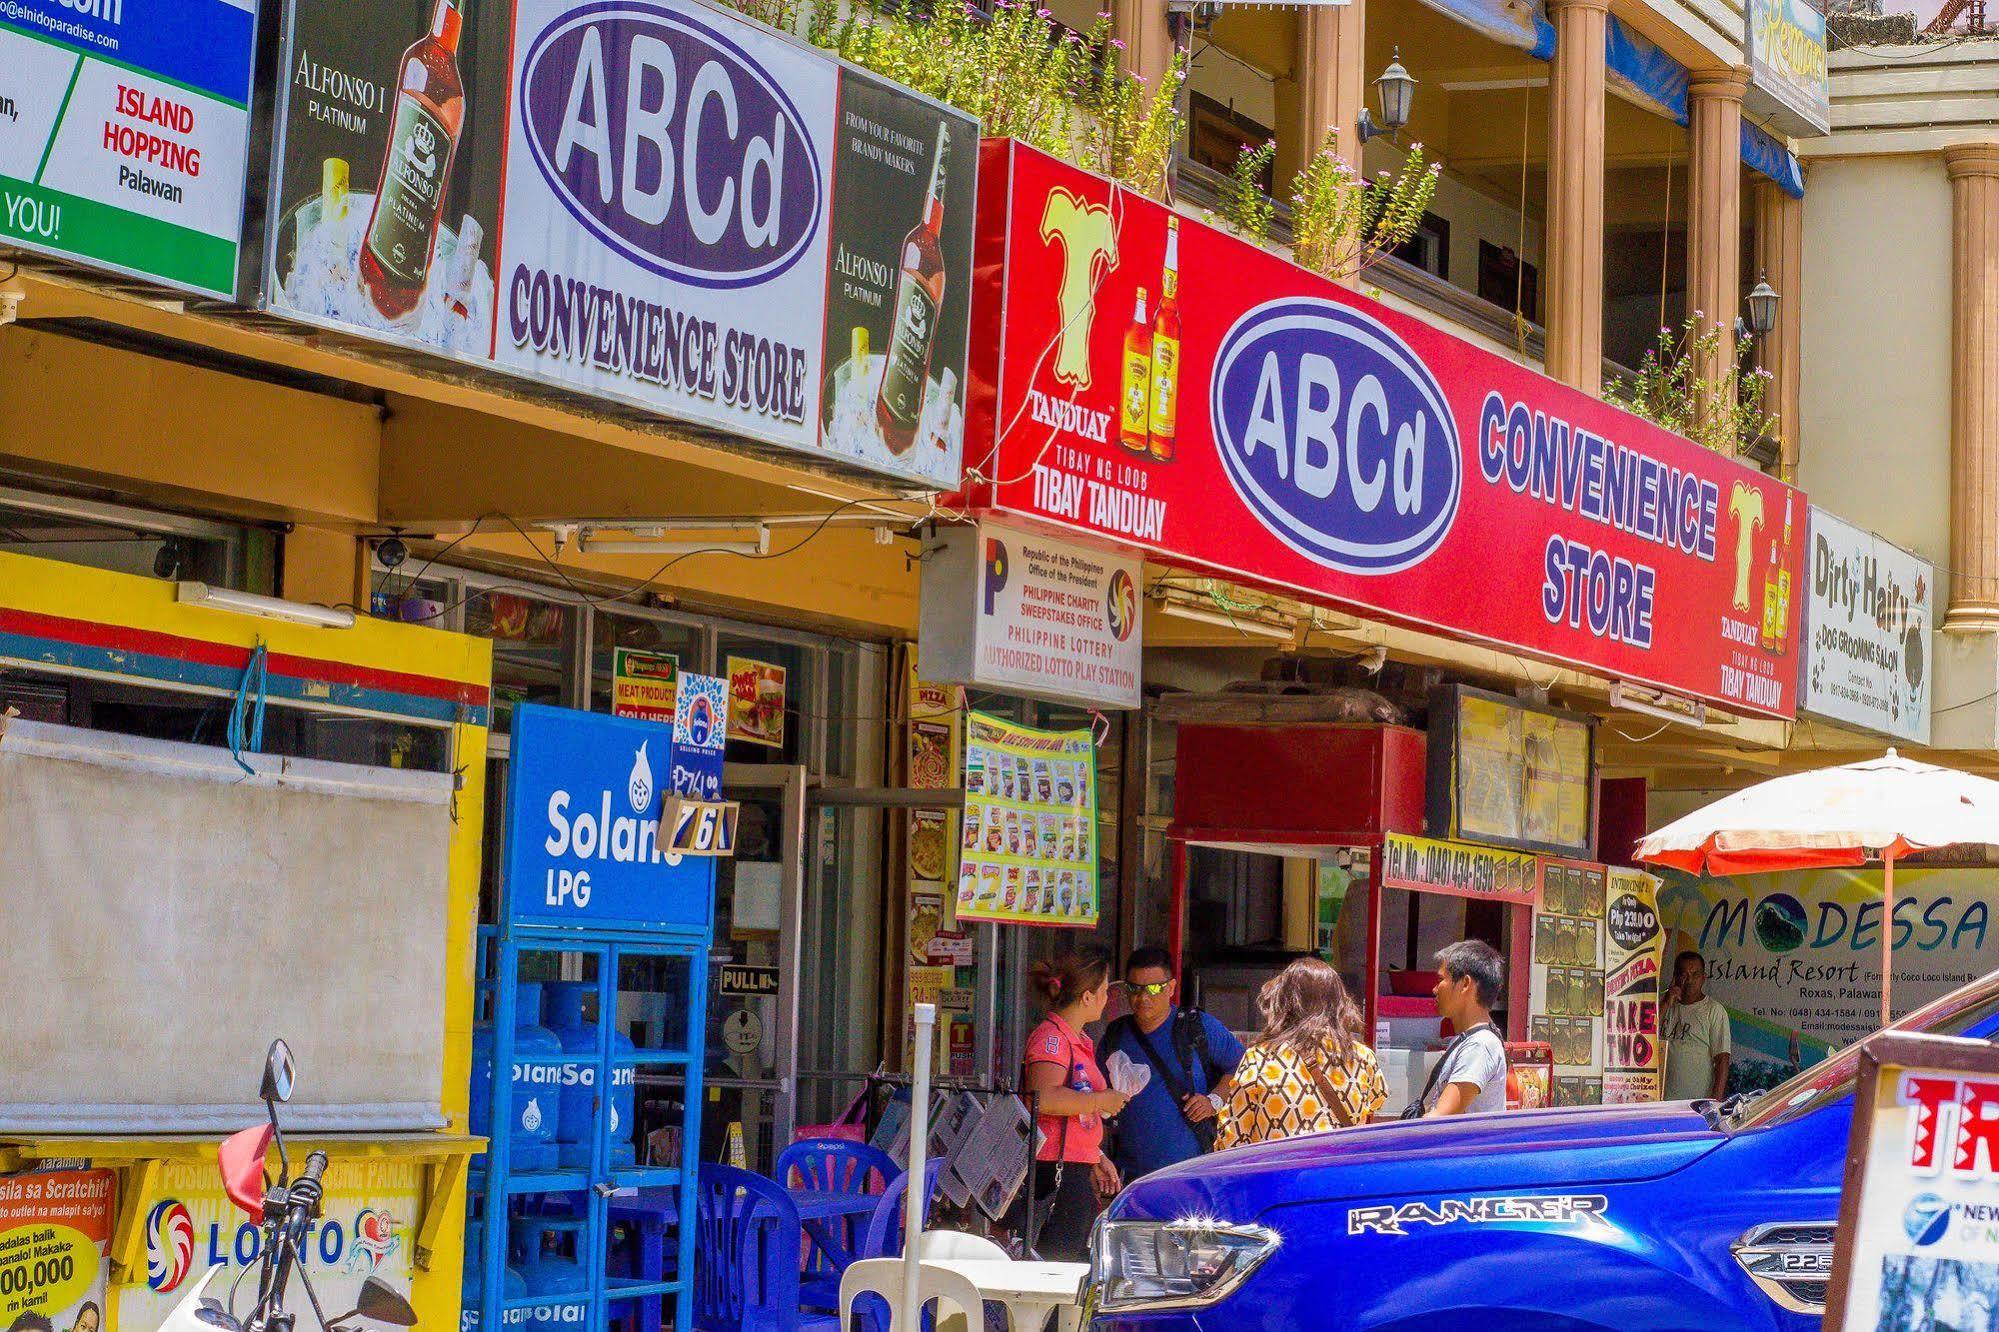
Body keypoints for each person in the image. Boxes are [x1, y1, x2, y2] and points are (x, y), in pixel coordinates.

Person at [1097, 947, 1245, 1180]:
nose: (1143, 997)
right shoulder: (1115, 1036)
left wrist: (1213, 1100)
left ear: (1171, 988)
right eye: (1134, 988)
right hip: (1131, 1179)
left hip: (1195, 1174)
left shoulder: (1197, 1028)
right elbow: (1094, 1103)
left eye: (1154, 988)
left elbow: (1243, 1067)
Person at [1021, 943, 1129, 1261]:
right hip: (1053, 1172)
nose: (1108, 998)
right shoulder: (1052, 1038)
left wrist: (1094, 1155)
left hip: (1074, 1167)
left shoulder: (1077, 1040)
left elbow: (1072, 1110)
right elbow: (1044, 1097)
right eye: (1105, 991)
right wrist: (1101, 1100)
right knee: (1056, 1266)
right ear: (1086, 997)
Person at [1215, 958, 1385, 1149]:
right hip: (1339, 1175)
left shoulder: (1259, 1059)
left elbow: (1233, 1138)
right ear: (1339, 1003)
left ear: (1283, 1002)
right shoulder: (1363, 1057)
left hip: (1279, 1176)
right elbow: (1376, 1100)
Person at [1421, 939, 1509, 1117]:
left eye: (1441, 979)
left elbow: (1438, 1119)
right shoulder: (1468, 1040)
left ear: (1466, 984)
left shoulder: (1480, 1045)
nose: (1434, 989)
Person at [1663, 950, 1732, 1102]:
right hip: (1659, 1103)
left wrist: (1714, 1105)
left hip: (1694, 1106)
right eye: (1684, 974)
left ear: (1703, 978)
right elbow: (1644, 1034)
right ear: (1675, 976)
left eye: (1695, 974)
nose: (1689, 980)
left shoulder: (1714, 1010)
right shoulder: (1663, 1005)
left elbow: (1722, 1061)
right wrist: (1666, 1002)